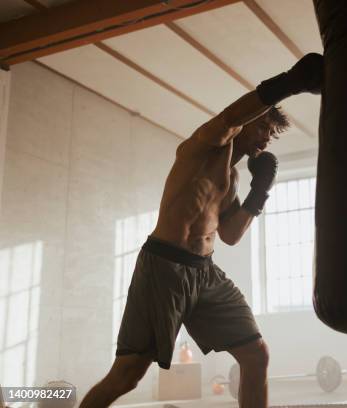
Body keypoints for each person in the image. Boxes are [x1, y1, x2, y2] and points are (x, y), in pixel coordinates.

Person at [79, 53, 323, 408]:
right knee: (128, 376)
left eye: (271, 135)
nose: (266, 139)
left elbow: (231, 234)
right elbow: (230, 118)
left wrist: (260, 191)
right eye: (263, 129)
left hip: (206, 273)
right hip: (163, 267)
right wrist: (289, 84)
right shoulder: (202, 146)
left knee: (256, 355)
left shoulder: (234, 178)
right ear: (249, 121)